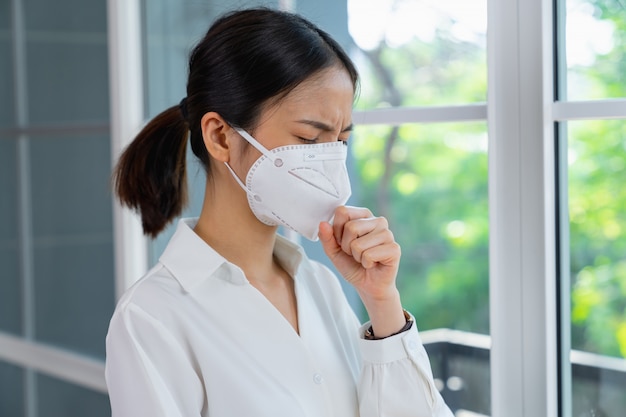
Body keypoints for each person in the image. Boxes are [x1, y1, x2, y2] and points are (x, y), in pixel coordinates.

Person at [105, 7, 453, 417]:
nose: (329, 162)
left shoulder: (320, 284)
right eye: (309, 138)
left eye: (340, 140)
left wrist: (383, 304)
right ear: (220, 137)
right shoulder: (152, 318)